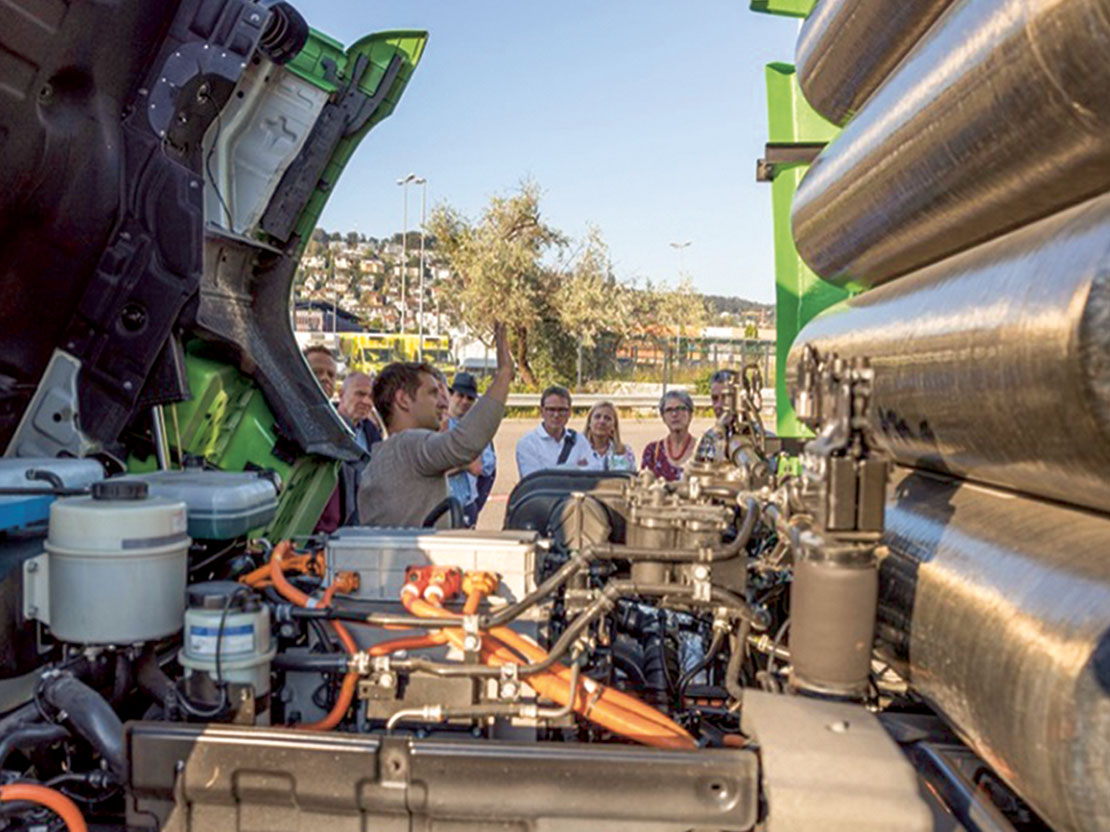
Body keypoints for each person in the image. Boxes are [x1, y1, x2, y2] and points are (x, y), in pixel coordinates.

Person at [357, 323, 513, 528]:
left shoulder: (385, 452)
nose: (442, 403)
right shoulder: (408, 444)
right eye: (432, 393)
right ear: (403, 400)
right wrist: (504, 374)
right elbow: (464, 444)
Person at [445, 372, 495, 527]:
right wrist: (464, 464)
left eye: (470, 398)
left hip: (467, 505)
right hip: (441, 504)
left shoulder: (478, 429)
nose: (465, 401)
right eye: (460, 396)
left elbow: (484, 468)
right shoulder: (437, 423)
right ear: (451, 395)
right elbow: (435, 468)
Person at [515, 385, 591, 478]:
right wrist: (573, 468)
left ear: (569, 412)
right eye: (551, 409)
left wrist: (548, 472)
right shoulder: (527, 443)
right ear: (541, 411)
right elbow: (534, 480)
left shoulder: (580, 441)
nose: (556, 415)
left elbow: (590, 474)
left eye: (562, 410)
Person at [641, 390, 696, 481]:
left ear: (690, 414)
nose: (674, 414)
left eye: (680, 408)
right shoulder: (652, 452)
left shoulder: (702, 450)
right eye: (669, 410)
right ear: (663, 417)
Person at [581, 401, 636, 472]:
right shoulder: (576, 450)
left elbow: (632, 477)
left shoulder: (625, 452)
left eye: (607, 418)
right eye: (597, 417)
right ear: (589, 423)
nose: (602, 421)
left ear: (614, 426)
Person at [695, 369, 735, 462]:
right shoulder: (708, 439)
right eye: (715, 398)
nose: (719, 405)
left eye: (725, 397)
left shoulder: (761, 440)